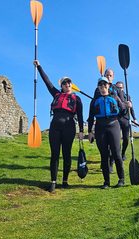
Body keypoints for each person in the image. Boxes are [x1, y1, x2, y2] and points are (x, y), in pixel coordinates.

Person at [34, 60, 84, 192]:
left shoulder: (77, 99)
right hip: (55, 125)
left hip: (69, 126)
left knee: (66, 153)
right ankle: (53, 181)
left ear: (72, 85)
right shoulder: (56, 94)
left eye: (69, 82)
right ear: (61, 86)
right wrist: (39, 66)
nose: (67, 84)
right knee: (55, 153)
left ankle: (65, 180)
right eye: (64, 83)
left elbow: (80, 115)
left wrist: (82, 131)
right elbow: (47, 81)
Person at [88, 76, 130, 189]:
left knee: (116, 153)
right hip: (100, 127)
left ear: (108, 85)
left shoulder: (115, 97)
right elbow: (91, 117)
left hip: (113, 125)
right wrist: (90, 132)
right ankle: (106, 182)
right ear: (98, 87)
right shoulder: (94, 100)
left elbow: (122, 112)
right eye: (100, 85)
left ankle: (121, 179)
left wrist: (128, 107)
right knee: (104, 155)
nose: (103, 86)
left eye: (105, 84)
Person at [115, 81, 137, 160]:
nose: (119, 89)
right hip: (117, 119)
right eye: (117, 87)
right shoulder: (114, 96)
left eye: (120, 87)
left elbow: (131, 109)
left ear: (123, 88)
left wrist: (134, 118)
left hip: (125, 119)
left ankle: (123, 153)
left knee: (126, 139)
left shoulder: (127, 97)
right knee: (116, 139)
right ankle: (116, 155)